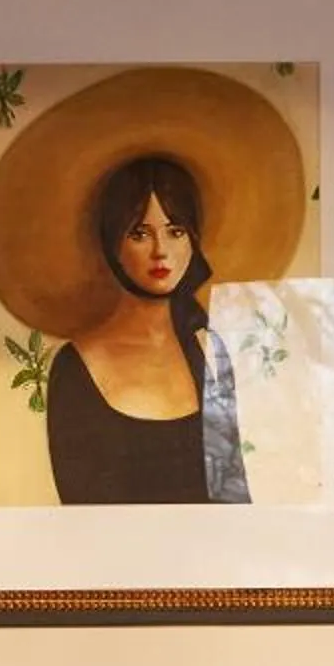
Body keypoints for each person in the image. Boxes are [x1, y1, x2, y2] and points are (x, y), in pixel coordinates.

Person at [43, 153, 251, 505]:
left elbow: (234, 492)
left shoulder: (210, 351)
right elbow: (80, 515)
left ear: (193, 240)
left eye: (176, 231)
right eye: (140, 233)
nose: (160, 251)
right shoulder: (75, 366)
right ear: (113, 243)